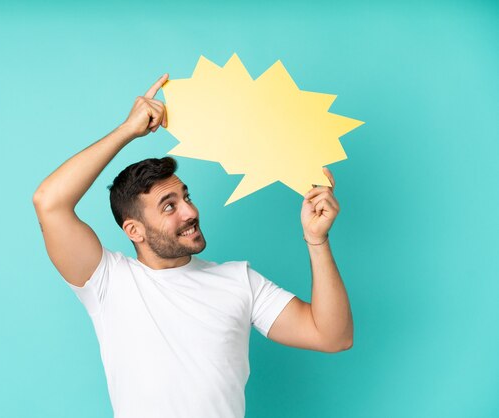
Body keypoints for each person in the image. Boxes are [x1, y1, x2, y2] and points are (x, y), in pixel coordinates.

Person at [32, 73, 353, 418]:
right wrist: (127, 130)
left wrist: (317, 240)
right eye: (169, 206)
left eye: (186, 196)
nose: (190, 211)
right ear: (134, 230)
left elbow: (332, 336)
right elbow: (48, 202)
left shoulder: (238, 281)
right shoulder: (107, 281)